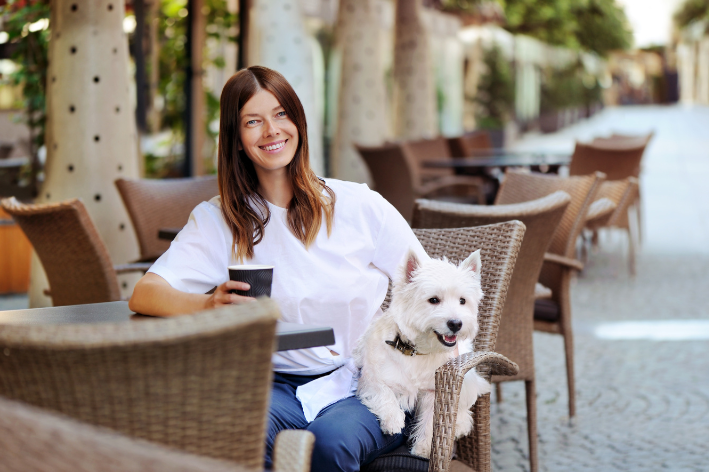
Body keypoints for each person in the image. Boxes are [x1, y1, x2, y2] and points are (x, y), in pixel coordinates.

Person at [129, 65, 429, 471]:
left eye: (281, 114)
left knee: (328, 445)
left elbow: (428, 289)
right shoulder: (220, 220)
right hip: (271, 382)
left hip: (365, 381)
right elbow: (146, 292)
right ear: (236, 140)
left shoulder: (358, 205)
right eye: (253, 121)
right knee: (231, 430)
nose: (271, 130)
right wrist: (206, 307)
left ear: (298, 123)